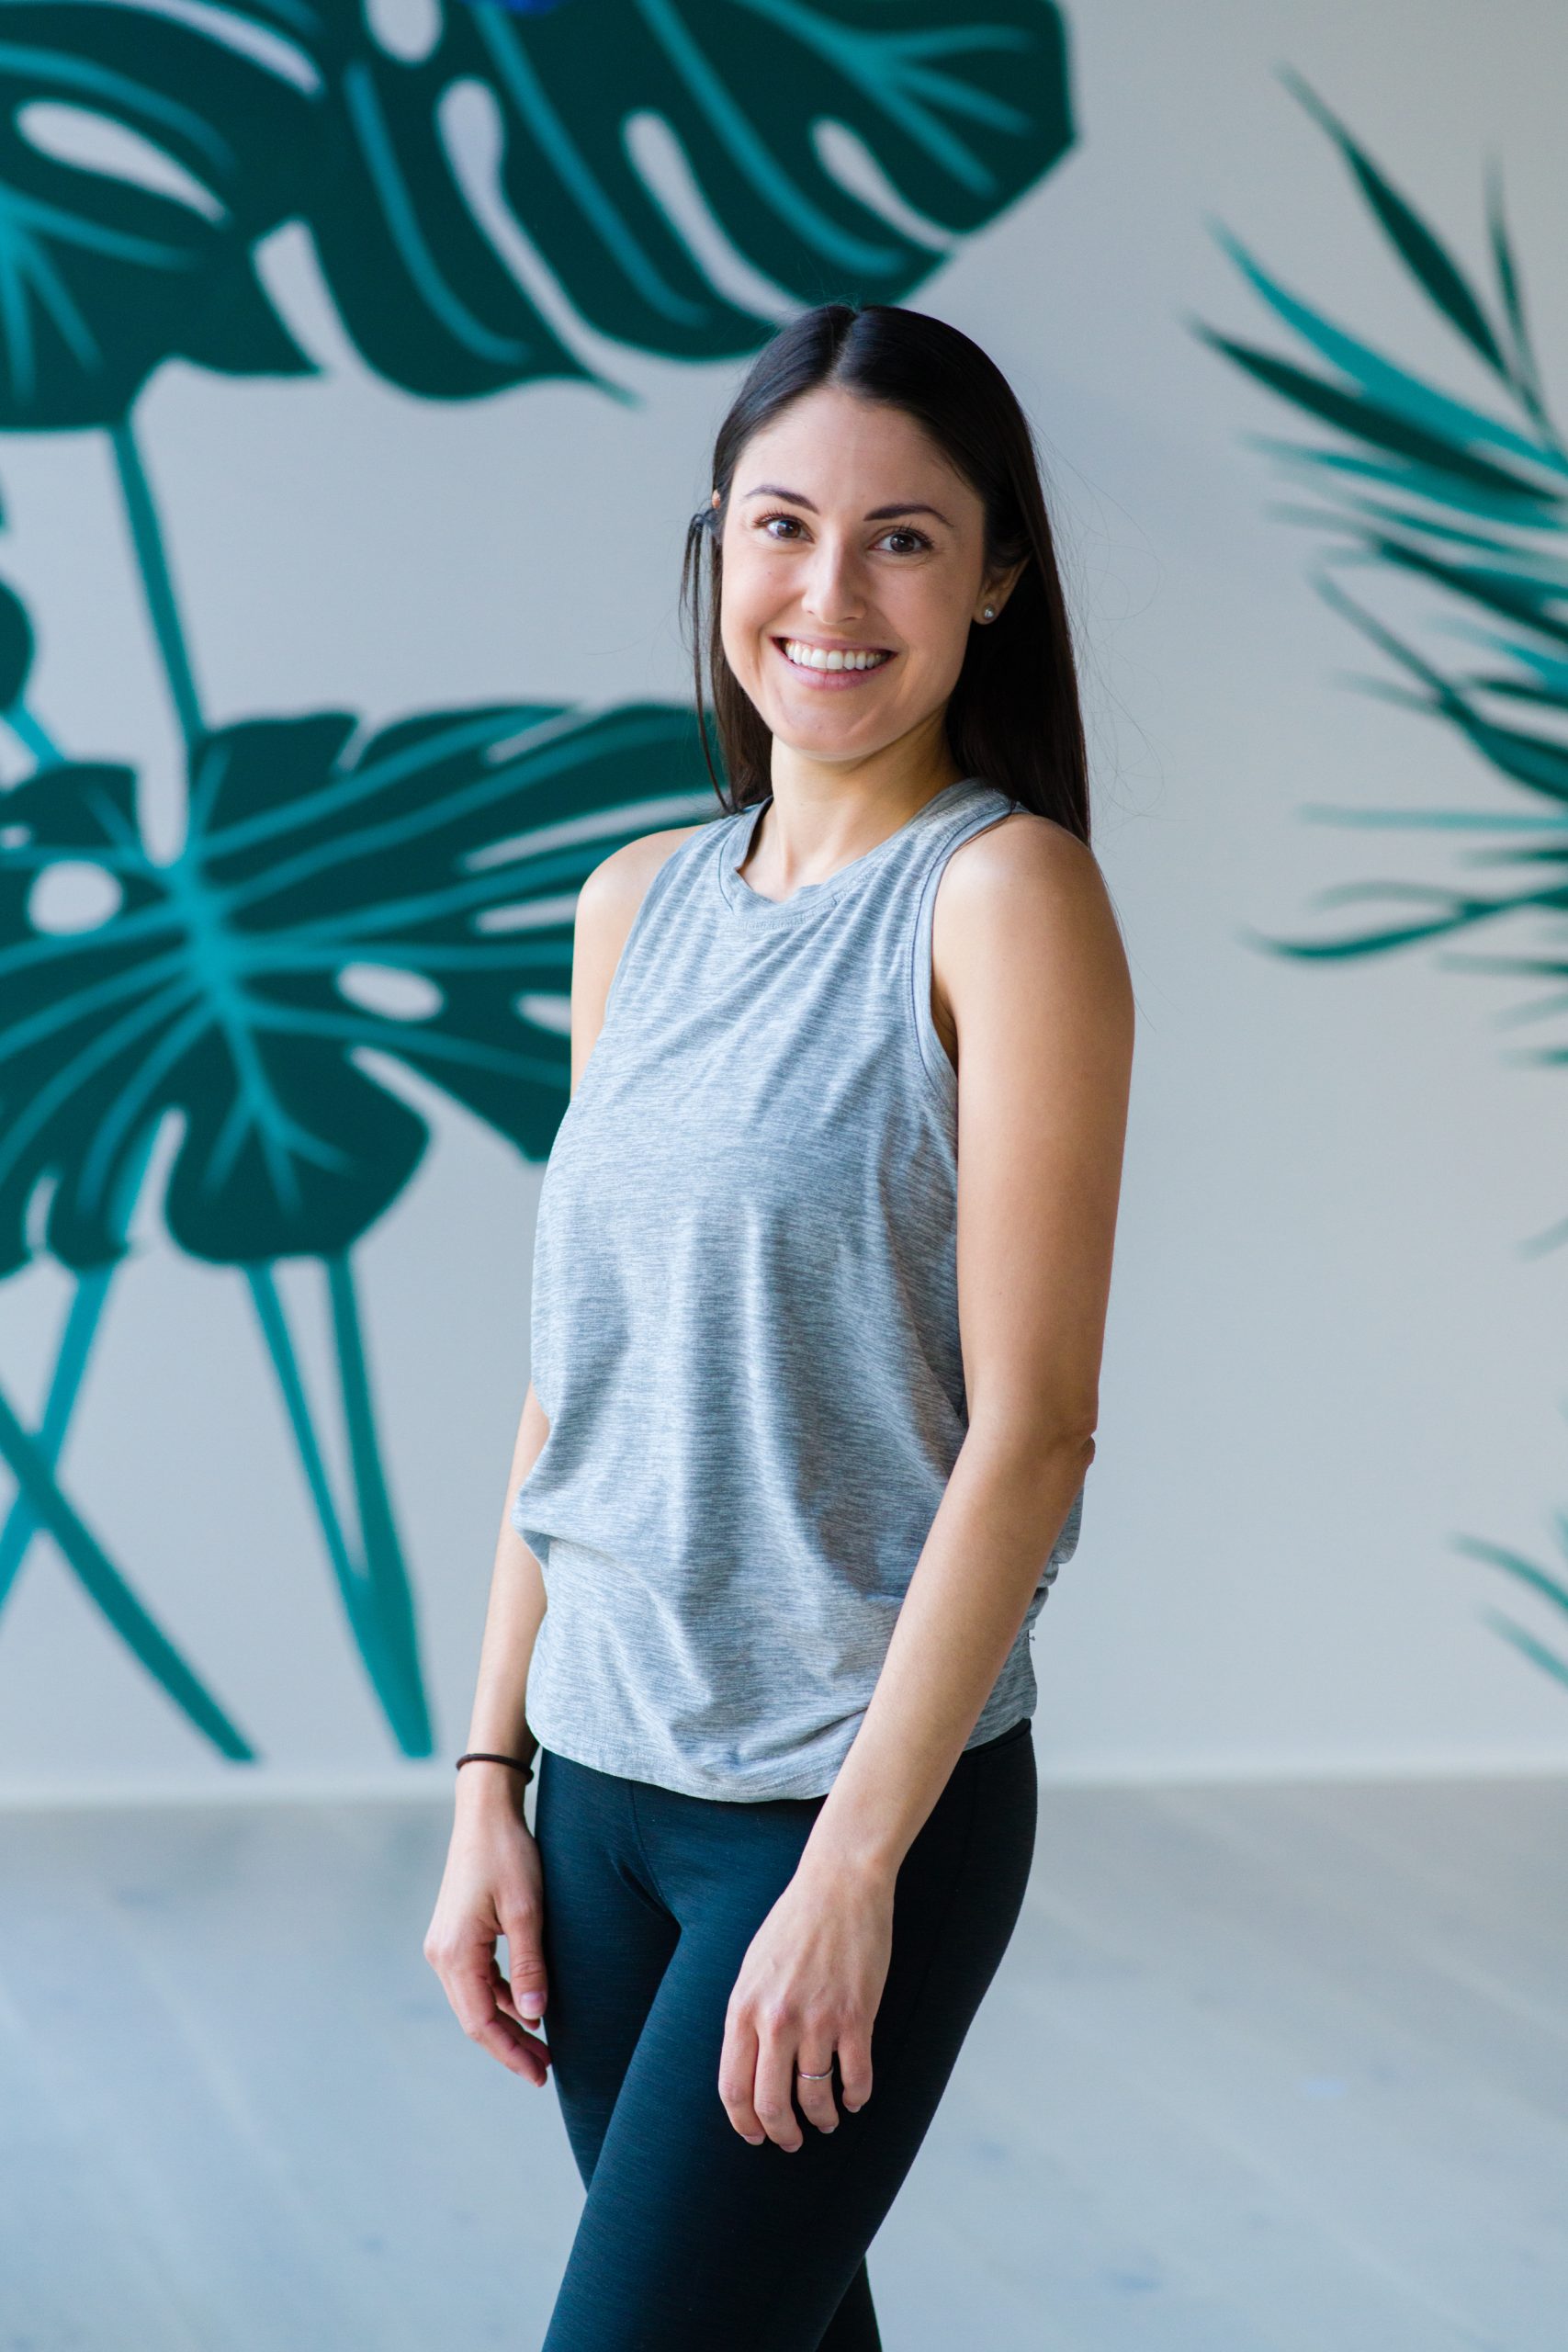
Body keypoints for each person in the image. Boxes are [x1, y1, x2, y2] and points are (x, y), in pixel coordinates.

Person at [423, 300, 1135, 2350]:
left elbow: (1034, 1432)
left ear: (996, 575)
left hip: (842, 1814)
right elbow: (578, 1390)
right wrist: (489, 1778)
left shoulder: (1002, 904)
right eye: (781, 526)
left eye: (904, 538)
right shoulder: (634, 901)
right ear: (717, 546)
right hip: (598, 1803)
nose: (830, 592)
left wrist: (851, 1876)